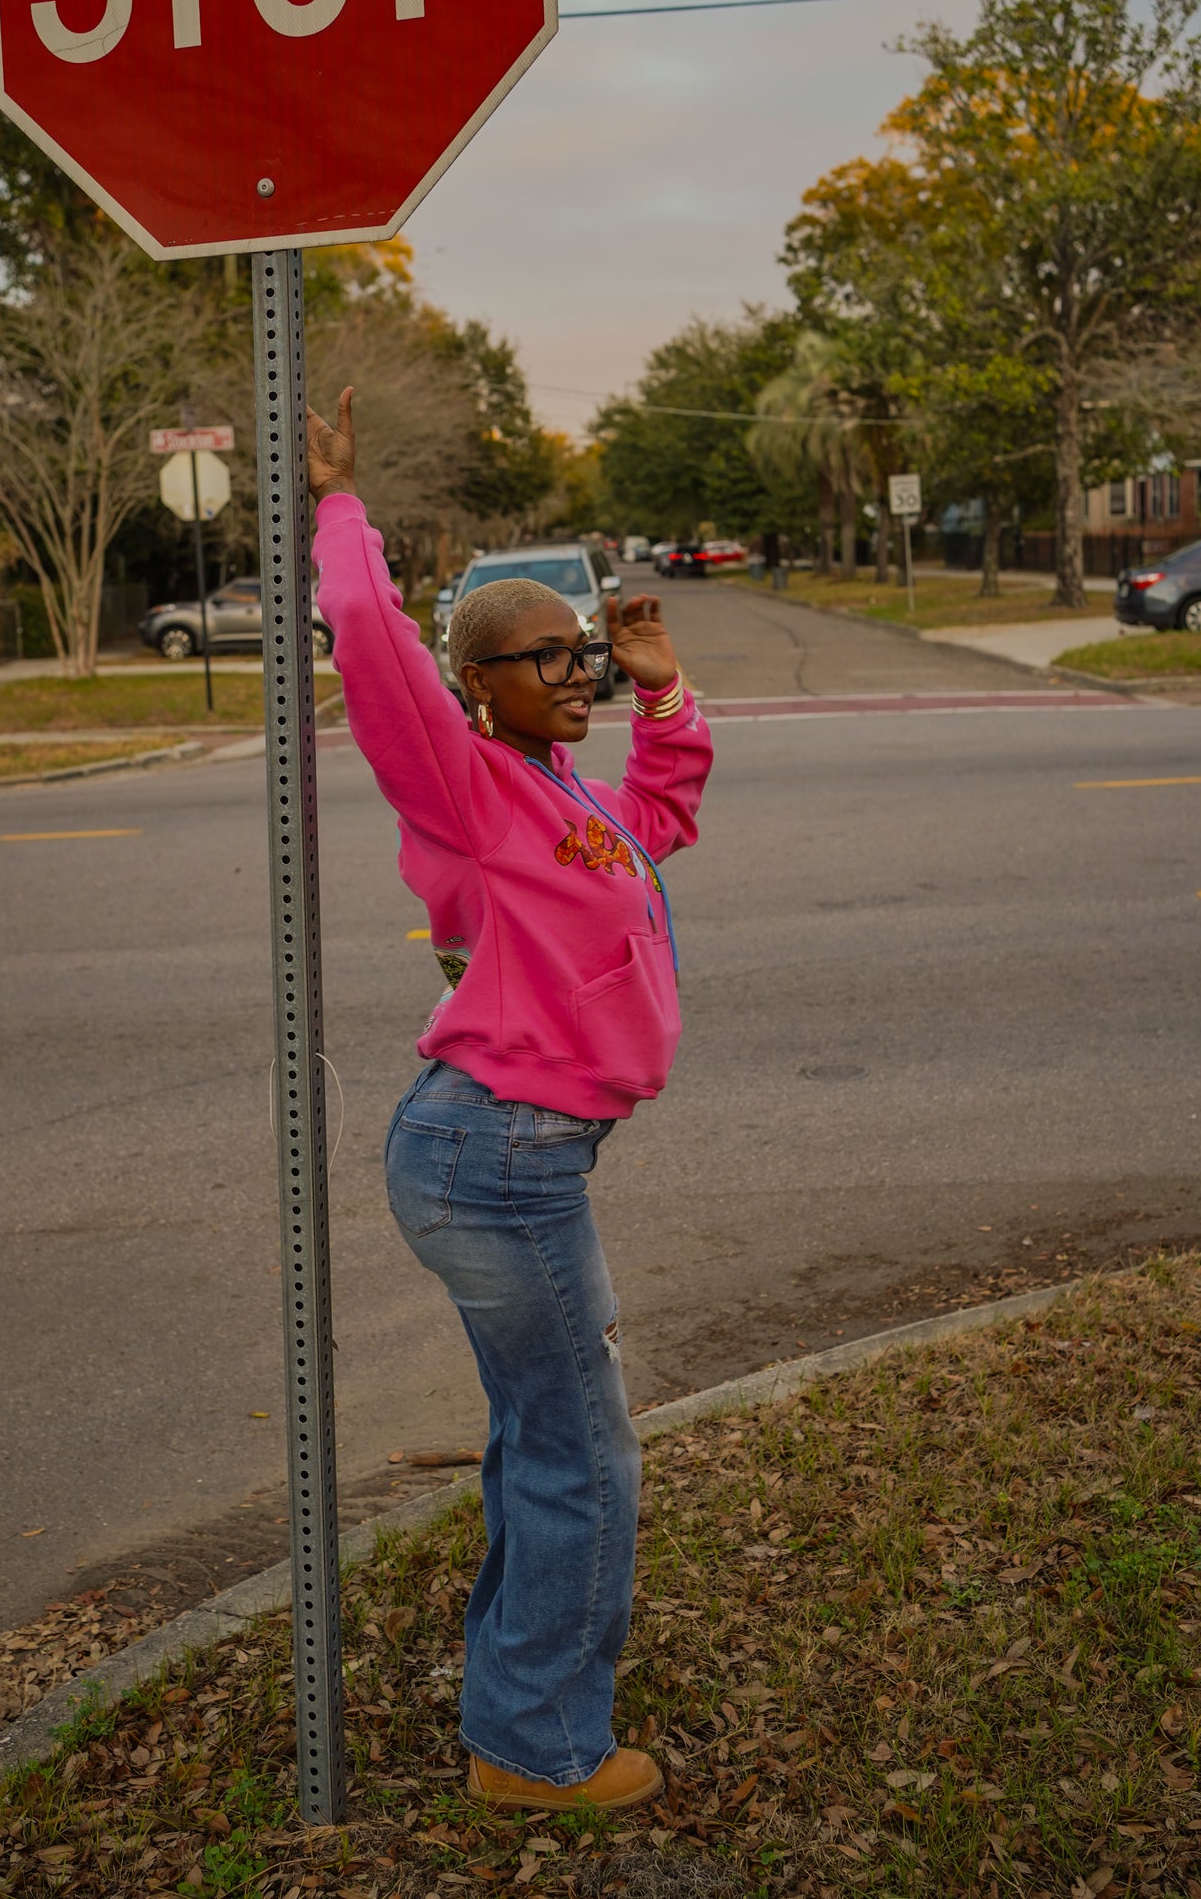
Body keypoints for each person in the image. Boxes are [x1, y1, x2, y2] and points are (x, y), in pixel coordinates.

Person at [308, 389, 713, 1811]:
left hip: (520, 1154)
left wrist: (660, 688)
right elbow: (369, 650)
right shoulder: (466, 786)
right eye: (538, 658)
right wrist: (339, 510)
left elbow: (658, 820)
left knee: (548, 1436)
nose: (571, 673)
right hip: (496, 1157)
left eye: (579, 650)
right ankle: (533, 1750)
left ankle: (514, 1698)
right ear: (477, 682)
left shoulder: (563, 794)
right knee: (584, 1457)